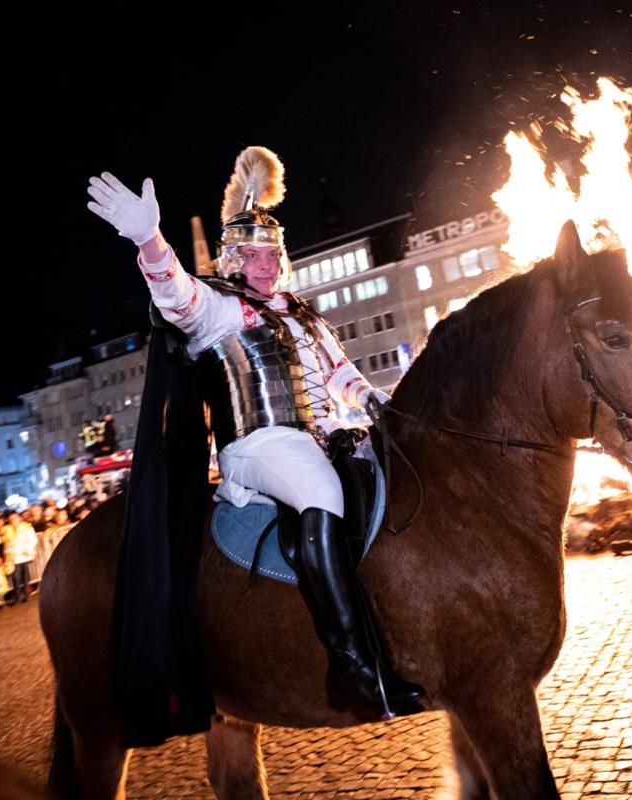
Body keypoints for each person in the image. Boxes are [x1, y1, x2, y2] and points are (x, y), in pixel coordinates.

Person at [87, 146, 424, 717]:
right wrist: (151, 241)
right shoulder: (218, 307)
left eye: (273, 254)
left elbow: (337, 371)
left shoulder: (301, 311)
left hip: (318, 435)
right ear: (233, 260)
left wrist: (371, 400)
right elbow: (174, 295)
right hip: (259, 443)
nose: (266, 264)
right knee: (322, 492)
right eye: (253, 255)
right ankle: (352, 667)